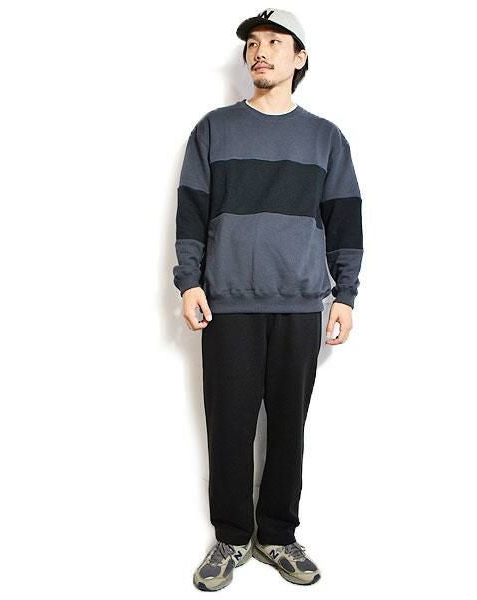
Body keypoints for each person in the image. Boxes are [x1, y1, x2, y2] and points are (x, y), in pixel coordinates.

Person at [172, 8, 364, 591]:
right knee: (228, 428)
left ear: (299, 57)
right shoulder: (214, 130)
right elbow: (191, 212)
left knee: (288, 429)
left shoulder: (326, 138)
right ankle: (232, 538)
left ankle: (277, 535)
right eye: (254, 43)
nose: (261, 50)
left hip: (300, 304)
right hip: (228, 304)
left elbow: (345, 221)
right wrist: (189, 281)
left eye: (276, 42)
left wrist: (345, 294)